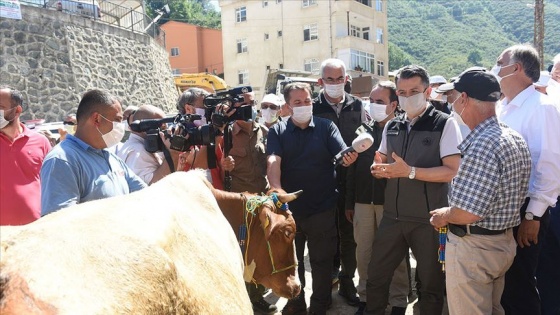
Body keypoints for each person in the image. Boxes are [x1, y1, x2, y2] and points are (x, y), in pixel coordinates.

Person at [429, 68, 532, 314]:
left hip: (475, 249)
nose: (452, 104)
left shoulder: (482, 144)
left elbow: (468, 212)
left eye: (453, 97)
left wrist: (444, 215)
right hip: (501, 243)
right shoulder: (512, 137)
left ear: (464, 98)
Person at [366, 65, 462, 315]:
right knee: (376, 277)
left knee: (430, 286)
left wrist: (410, 172)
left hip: (429, 220)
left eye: (414, 91)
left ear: (428, 91)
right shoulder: (392, 126)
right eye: (402, 92)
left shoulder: (445, 124)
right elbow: (383, 160)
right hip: (393, 217)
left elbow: (452, 170)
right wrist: (379, 168)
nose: (407, 97)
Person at [267, 82, 357, 315]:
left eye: (307, 101)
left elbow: (341, 151)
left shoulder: (327, 127)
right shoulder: (278, 131)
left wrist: (347, 157)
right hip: (289, 211)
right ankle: (296, 302)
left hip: (322, 208)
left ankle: (320, 304)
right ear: (287, 106)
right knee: (291, 262)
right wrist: (276, 188)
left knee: (322, 262)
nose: (304, 105)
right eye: (297, 102)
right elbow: (273, 161)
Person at [493, 44, 560, 315]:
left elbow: (548, 165)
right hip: (502, 208)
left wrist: (533, 216)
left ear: (517, 68)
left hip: (526, 210)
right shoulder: (502, 107)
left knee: (520, 284)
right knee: (506, 282)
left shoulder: (542, 107)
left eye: (500, 63)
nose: (495, 69)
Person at [345, 81, 409, 315]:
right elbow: (351, 168)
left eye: (379, 102)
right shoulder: (363, 130)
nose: (373, 106)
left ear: (394, 104)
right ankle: (366, 298)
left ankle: (399, 301)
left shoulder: (403, 129)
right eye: (371, 101)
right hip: (362, 202)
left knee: (396, 254)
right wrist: (349, 202)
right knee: (364, 253)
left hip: (392, 204)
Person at [40, 89, 147, 216]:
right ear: (96, 119)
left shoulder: (110, 157)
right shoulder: (62, 161)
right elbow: (60, 222)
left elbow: (145, 196)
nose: (121, 126)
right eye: (117, 120)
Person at [313, 58, 367, 306]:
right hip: (321, 180)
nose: (335, 84)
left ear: (347, 80)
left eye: (339, 79)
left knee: (350, 236)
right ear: (320, 81)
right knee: (325, 236)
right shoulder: (311, 108)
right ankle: (324, 288)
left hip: (352, 180)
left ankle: (347, 283)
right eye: (329, 79)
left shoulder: (358, 106)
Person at [220, 98, 276, 314]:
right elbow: (215, 169)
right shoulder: (227, 135)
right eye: (242, 104)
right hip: (239, 204)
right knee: (240, 251)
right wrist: (226, 167)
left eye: (252, 102)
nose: (248, 107)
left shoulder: (264, 132)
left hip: (261, 200)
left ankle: (257, 296)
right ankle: (240, 297)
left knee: (261, 249)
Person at [0, 85, 52, 225]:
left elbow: (52, 183)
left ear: (17, 111)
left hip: (35, 231)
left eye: (0, 107)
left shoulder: (41, 142)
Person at [116, 105, 180, 185]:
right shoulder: (137, 151)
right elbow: (151, 186)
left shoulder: (140, 146)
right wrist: (173, 153)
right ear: (145, 126)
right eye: (162, 127)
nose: (165, 132)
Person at [176, 88, 224, 189]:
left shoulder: (208, 131)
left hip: (215, 195)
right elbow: (200, 166)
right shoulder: (179, 135)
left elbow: (220, 166)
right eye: (205, 108)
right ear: (188, 109)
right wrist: (218, 131)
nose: (210, 113)